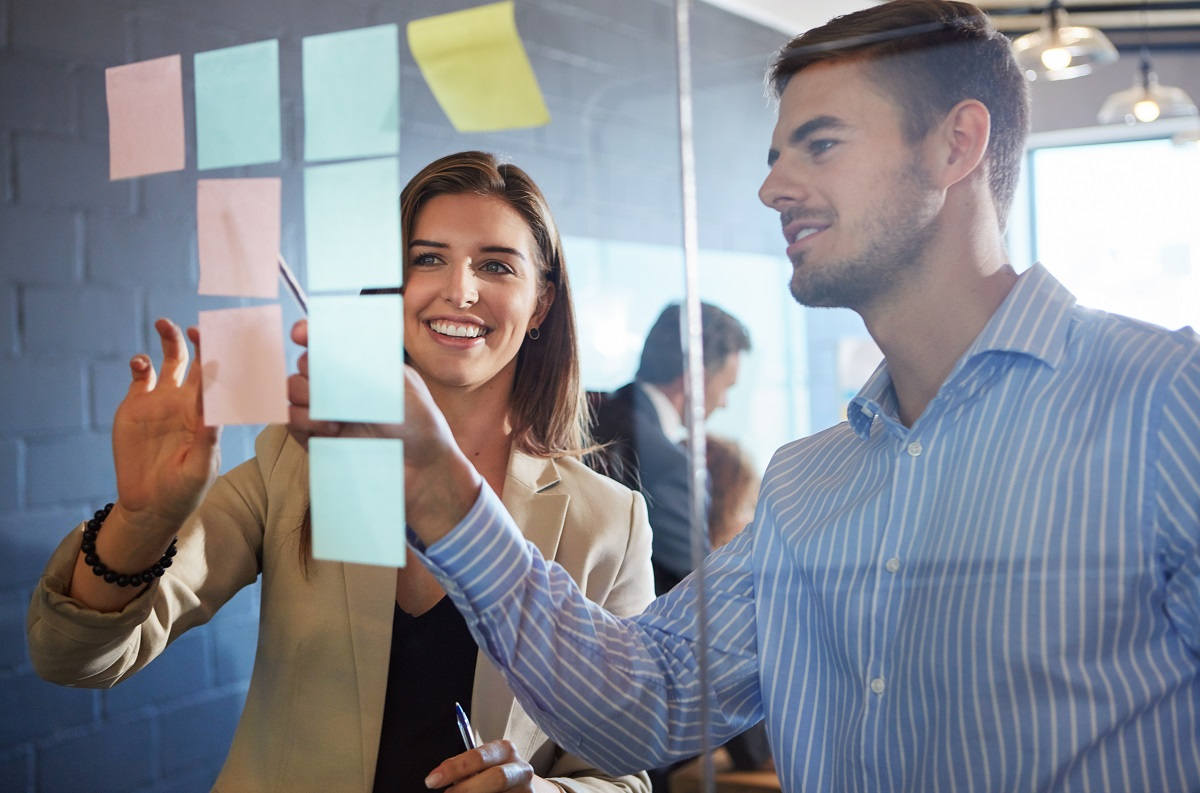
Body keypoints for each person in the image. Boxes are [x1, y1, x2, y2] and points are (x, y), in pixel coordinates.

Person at [356, 2, 1200, 791]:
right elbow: (639, 700)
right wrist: (450, 496)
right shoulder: (806, 486)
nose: (773, 188)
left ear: (956, 146)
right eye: (776, 157)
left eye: (820, 144)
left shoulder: (1165, 400)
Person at [26, 151, 655, 792]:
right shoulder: (294, 460)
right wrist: (141, 520)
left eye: (495, 265)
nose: (460, 289)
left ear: (541, 303)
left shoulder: (608, 521)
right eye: (427, 258)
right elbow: (71, 657)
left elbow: (621, 776)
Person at [589, 302, 751, 594]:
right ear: (697, 378)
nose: (724, 402)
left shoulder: (590, 413)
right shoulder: (669, 465)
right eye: (726, 386)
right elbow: (695, 600)